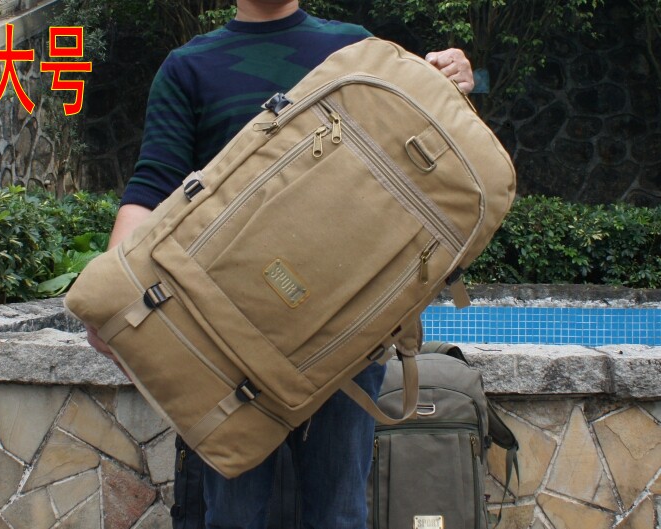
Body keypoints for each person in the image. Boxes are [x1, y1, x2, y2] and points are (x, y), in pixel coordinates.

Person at [87, 1, 474, 527]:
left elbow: (415, 162)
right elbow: (154, 185)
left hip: (343, 337)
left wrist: (453, 86)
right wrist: (110, 292)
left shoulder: (354, 48)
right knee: (233, 517)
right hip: (224, 341)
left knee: (339, 515)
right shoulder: (188, 67)